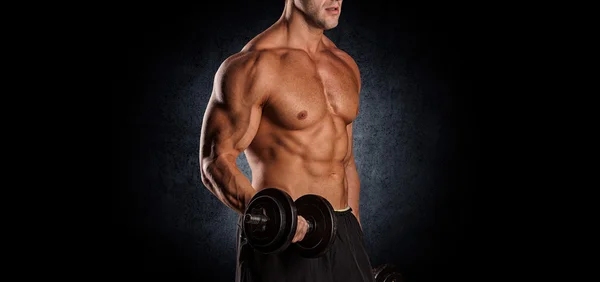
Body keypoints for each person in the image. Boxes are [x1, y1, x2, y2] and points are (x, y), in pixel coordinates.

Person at [199, 0, 374, 281]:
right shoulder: (254, 64)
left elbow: (346, 162)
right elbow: (215, 161)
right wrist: (275, 221)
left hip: (343, 234)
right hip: (282, 237)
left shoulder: (345, 64)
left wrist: (356, 241)